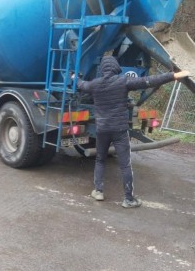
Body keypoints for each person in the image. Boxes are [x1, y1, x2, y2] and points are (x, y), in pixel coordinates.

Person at [75, 55, 190, 208]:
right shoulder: (123, 82)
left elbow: (81, 85)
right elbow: (149, 81)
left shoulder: (95, 84)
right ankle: (128, 199)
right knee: (125, 164)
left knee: (100, 160)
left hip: (102, 130)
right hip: (120, 130)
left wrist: (73, 77)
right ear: (116, 68)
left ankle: (98, 191)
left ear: (102, 69)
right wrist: (173, 75)